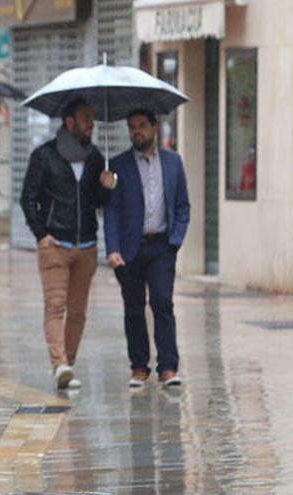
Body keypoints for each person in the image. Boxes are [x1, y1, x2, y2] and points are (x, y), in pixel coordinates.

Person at [20, 98, 116, 389]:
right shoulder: (44, 156)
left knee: (77, 311)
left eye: (93, 119)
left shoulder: (96, 158)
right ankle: (59, 362)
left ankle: (68, 366)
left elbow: (98, 203)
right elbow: (28, 198)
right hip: (55, 245)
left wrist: (107, 188)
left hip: (86, 245)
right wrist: (41, 235)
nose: (91, 125)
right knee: (55, 306)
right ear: (70, 122)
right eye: (86, 118)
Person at [104, 109, 190, 388]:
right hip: (129, 249)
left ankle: (168, 367)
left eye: (141, 126)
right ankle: (139, 367)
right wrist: (112, 247)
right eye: (132, 127)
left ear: (154, 127)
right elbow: (112, 211)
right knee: (133, 308)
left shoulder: (173, 162)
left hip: (161, 246)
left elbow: (182, 205)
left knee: (162, 303)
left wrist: (175, 240)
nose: (136, 132)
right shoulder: (118, 165)